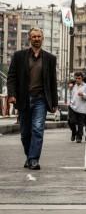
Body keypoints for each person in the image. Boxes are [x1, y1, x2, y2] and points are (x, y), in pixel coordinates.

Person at [7, 27, 58, 170]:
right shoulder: (19, 56)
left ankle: (34, 159)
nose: (36, 39)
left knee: (37, 129)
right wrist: (11, 95)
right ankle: (29, 156)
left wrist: (54, 102)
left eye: (39, 36)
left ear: (43, 38)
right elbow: (11, 78)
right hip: (23, 98)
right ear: (29, 39)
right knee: (25, 133)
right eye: (34, 37)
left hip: (41, 99)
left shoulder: (50, 58)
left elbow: (52, 82)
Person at [69, 72, 86, 143]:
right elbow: (72, 96)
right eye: (76, 78)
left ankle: (79, 137)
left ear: (82, 78)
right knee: (71, 121)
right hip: (72, 107)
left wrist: (83, 94)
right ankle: (73, 132)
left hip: (82, 108)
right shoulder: (74, 86)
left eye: (79, 78)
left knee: (80, 124)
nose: (77, 80)